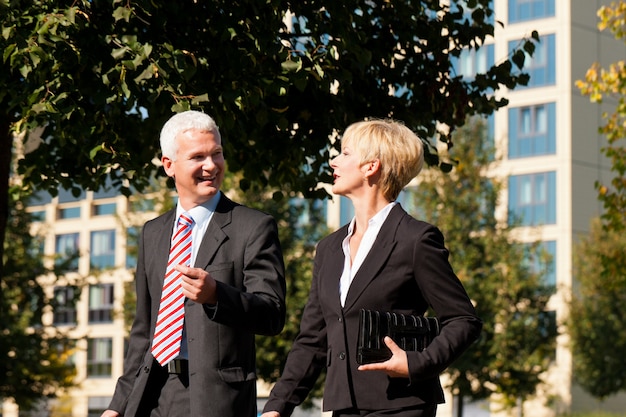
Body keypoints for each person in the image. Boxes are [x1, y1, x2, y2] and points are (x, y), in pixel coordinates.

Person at [261, 119, 482, 417]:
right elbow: (313, 339)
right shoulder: (328, 248)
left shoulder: (415, 239)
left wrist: (417, 363)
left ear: (371, 167)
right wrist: (278, 406)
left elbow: (463, 319)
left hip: (402, 406)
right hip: (344, 407)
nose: (334, 161)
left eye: (345, 153)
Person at [102, 110, 286, 417]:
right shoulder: (153, 232)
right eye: (198, 157)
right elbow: (144, 329)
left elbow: (272, 314)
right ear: (169, 165)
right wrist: (118, 405)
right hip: (154, 394)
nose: (211, 166)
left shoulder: (253, 226)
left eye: (217, 154)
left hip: (218, 400)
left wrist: (217, 296)